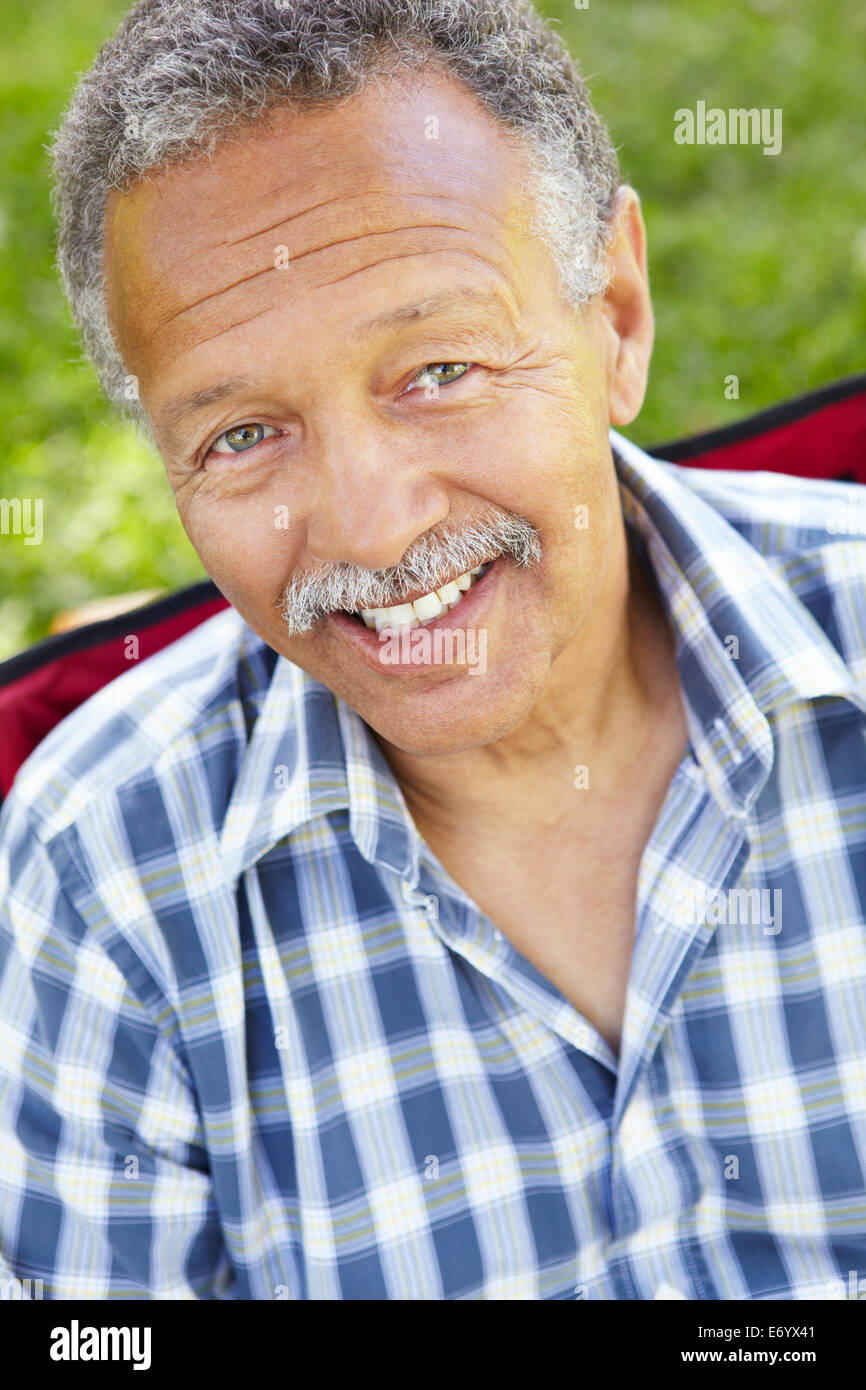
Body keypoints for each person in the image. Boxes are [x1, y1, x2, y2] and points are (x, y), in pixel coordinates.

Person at [1, 0, 864, 1301]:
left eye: (438, 368)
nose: (368, 522)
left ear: (615, 317)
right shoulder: (102, 867)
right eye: (240, 434)